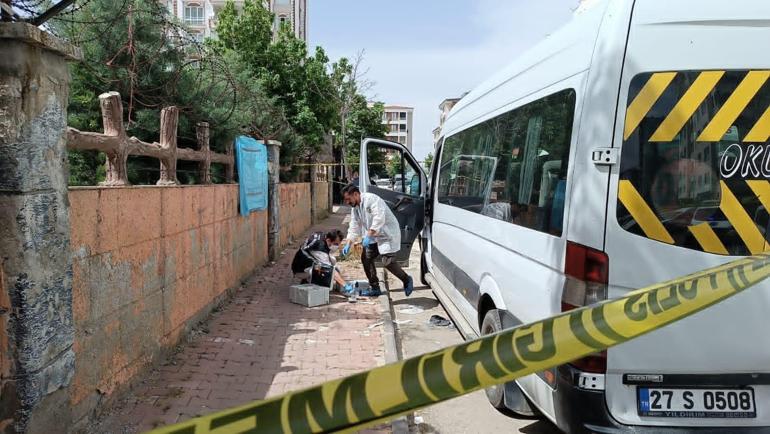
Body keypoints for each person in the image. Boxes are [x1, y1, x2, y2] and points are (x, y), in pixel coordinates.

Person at [340, 184, 414, 297]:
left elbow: (379, 219)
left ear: (355, 194)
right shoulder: (355, 208)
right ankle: (375, 287)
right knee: (366, 258)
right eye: (345, 200)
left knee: (388, 262)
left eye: (348, 199)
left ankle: (406, 279)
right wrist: (348, 243)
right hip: (372, 235)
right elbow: (354, 226)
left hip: (386, 234)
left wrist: (369, 235)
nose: (347, 202)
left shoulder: (372, 199)